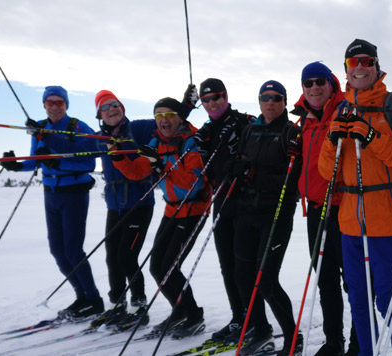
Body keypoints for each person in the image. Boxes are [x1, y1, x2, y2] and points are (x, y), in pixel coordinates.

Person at [317, 39, 392, 356]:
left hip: (390, 220)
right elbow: (327, 172)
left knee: (388, 300)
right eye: (354, 63)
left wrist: (372, 137)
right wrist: (332, 140)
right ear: (347, 71)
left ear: (376, 67)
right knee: (358, 299)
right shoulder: (340, 109)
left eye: (366, 61)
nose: (360, 67)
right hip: (351, 222)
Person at [0, 86, 104, 321]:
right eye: (50, 103)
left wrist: (59, 164)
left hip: (73, 194)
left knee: (72, 250)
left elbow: (89, 163)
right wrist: (16, 165)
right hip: (51, 194)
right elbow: (37, 161)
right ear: (44, 105)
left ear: (66, 105)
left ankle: (93, 299)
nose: (55, 107)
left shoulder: (77, 127)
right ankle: (82, 296)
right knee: (57, 250)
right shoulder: (38, 127)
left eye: (60, 103)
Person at [110, 97, 208, 339]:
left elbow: (193, 186)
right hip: (172, 209)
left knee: (169, 267)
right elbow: (136, 172)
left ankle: (193, 315)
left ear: (180, 117)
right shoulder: (156, 142)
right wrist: (118, 156)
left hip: (193, 209)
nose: (164, 120)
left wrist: (159, 168)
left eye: (169, 115)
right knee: (156, 267)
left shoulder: (191, 143)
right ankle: (180, 310)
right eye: (159, 116)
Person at [231, 80, 303, 355]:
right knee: (242, 277)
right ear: (259, 102)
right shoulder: (250, 130)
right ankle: (260, 330)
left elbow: (293, 179)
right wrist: (237, 169)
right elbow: (239, 163)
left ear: (284, 102)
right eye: (265, 98)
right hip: (246, 211)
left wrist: (254, 175)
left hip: (276, 213)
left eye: (276, 98)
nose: (270, 103)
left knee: (266, 281)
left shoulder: (290, 132)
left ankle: (293, 338)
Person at [182, 78, 256, 342]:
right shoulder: (207, 130)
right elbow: (183, 141)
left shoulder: (243, 121)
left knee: (243, 268)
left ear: (226, 96)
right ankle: (239, 319)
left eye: (217, 97)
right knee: (227, 266)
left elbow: (262, 147)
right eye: (207, 99)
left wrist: (245, 163)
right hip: (221, 202)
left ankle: (255, 321)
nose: (212, 103)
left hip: (246, 203)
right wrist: (185, 110)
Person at [290, 61, 352, 356]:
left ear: (331, 83)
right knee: (325, 278)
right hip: (316, 208)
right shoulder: (304, 121)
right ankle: (334, 342)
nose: (314, 87)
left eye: (320, 81)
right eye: (308, 83)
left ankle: (360, 342)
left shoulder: (345, 110)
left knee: (353, 280)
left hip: (345, 206)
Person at [90, 90, 157, 329]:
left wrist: (186, 106)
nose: (111, 109)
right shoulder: (99, 138)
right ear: (100, 114)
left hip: (139, 203)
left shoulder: (137, 129)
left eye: (115, 104)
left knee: (126, 257)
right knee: (112, 258)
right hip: (115, 206)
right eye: (105, 107)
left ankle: (139, 305)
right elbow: (73, 142)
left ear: (122, 108)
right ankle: (117, 305)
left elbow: (165, 119)